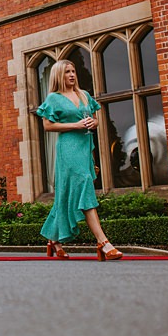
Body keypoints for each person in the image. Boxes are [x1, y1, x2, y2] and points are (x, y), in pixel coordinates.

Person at [36, 60, 123, 261]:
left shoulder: (84, 95)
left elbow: (95, 119)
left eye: (73, 71)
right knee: (84, 186)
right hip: (68, 148)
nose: (72, 75)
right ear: (59, 75)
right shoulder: (53, 98)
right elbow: (48, 126)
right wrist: (75, 125)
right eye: (67, 72)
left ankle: (53, 240)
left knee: (65, 194)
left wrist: (94, 123)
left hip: (85, 147)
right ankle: (103, 242)